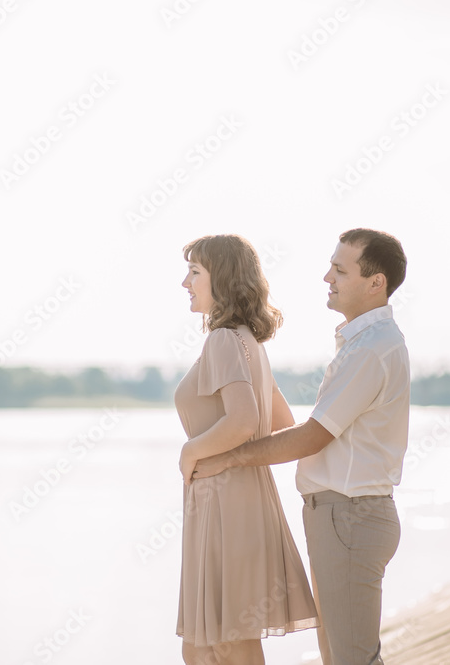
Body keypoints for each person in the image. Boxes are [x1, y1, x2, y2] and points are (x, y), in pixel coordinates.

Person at [190, 228, 409, 665]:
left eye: (340, 269)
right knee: (342, 657)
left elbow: (311, 435)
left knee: (352, 660)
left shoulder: (372, 349)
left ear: (375, 282)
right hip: (342, 515)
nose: (327, 276)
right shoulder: (362, 343)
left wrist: (224, 457)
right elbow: (297, 425)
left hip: (350, 515)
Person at [175, 234, 318, 665]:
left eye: (195, 272)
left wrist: (192, 451)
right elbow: (281, 423)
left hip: (224, 503)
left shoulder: (222, 341)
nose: (185, 283)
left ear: (223, 278)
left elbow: (243, 420)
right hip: (237, 499)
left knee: (226, 644)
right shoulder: (248, 343)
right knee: (202, 648)